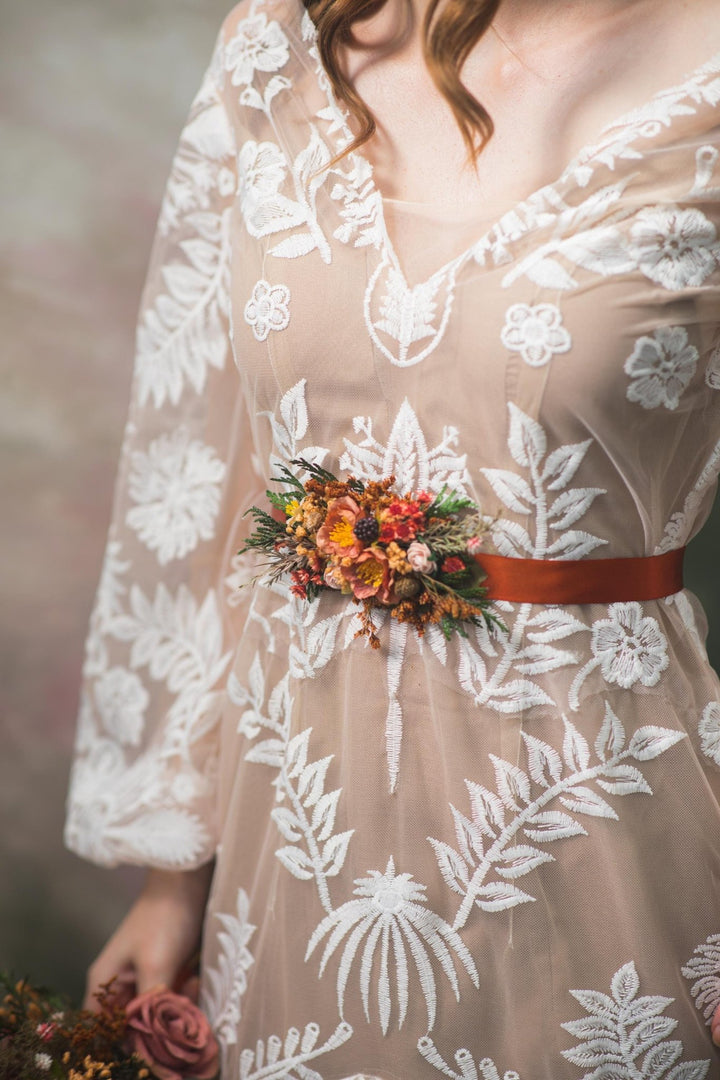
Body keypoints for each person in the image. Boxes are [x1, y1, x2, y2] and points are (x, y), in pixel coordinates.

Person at [65, 0, 720, 1076]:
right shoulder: (274, 46)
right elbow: (198, 471)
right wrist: (172, 879)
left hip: (603, 830)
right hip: (299, 845)